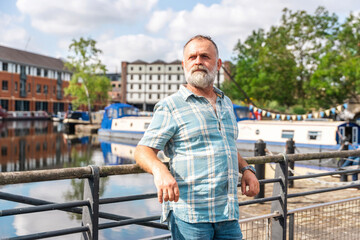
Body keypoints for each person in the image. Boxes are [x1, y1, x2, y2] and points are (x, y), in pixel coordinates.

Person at [134, 35, 259, 240]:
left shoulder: (226, 103)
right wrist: (160, 170)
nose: (198, 61)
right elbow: (143, 150)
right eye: (192, 57)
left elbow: (226, 145)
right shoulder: (171, 106)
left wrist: (245, 169)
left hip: (228, 214)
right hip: (191, 217)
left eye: (205, 56)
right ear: (184, 64)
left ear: (217, 64)